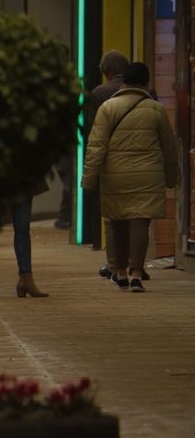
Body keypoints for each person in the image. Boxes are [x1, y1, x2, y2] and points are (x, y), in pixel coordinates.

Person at [83, 61, 179, 292]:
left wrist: (89, 179)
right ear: (146, 82)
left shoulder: (108, 107)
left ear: (124, 80)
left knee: (116, 223)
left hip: (116, 175)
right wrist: (171, 177)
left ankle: (120, 272)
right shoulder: (156, 109)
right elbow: (169, 148)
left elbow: (96, 146)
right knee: (140, 222)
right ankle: (137, 272)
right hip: (148, 175)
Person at [84, 50, 128, 277]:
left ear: (106, 71)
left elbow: (92, 130)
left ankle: (113, 264)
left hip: (110, 162)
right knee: (137, 215)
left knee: (112, 217)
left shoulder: (99, 93)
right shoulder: (146, 92)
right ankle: (136, 265)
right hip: (140, 161)